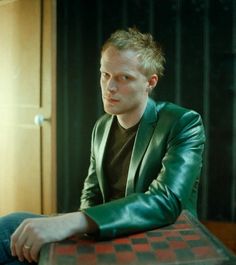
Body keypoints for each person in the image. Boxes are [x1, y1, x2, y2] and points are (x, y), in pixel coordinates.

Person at [0, 27, 205, 264]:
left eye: (123, 77)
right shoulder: (102, 127)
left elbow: (165, 202)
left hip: (157, 237)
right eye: (105, 74)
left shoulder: (183, 122)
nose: (109, 87)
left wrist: (72, 222)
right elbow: (92, 192)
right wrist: (80, 232)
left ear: (150, 82)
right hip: (105, 234)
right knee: (12, 228)